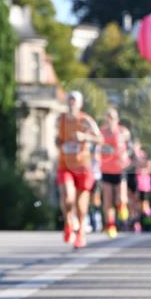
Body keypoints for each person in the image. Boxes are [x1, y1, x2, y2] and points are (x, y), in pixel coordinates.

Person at [56, 90, 102, 249]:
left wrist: (85, 137)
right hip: (65, 165)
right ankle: (68, 221)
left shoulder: (85, 120)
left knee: (82, 206)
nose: (71, 103)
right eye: (69, 100)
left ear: (80, 104)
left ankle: (81, 233)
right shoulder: (60, 120)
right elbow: (57, 140)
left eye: (74, 101)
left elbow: (100, 138)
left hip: (83, 166)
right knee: (68, 197)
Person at [99, 106, 130, 238]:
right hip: (106, 169)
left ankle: (122, 207)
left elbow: (127, 137)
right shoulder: (102, 132)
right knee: (108, 200)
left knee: (120, 198)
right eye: (108, 117)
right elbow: (98, 143)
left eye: (113, 117)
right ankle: (110, 225)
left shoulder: (122, 131)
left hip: (119, 169)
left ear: (117, 119)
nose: (110, 120)